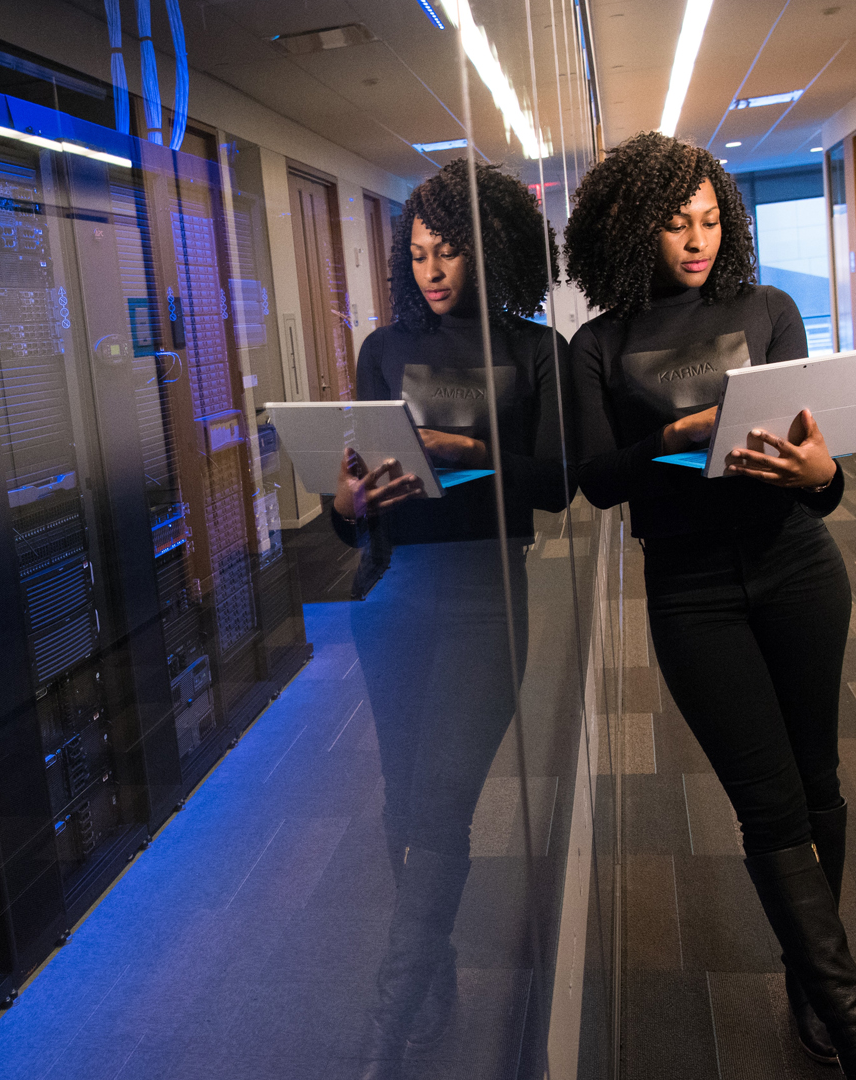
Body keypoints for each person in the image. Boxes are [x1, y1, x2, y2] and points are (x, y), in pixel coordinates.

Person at [561, 131, 856, 1080]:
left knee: (818, 782)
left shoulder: (770, 309)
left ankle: (809, 980)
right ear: (631, 228)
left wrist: (825, 472)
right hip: (692, 590)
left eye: (711, 220)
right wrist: (686, 433)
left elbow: (814, 479)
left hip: (797, 568)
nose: (697, 240)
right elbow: (594, 479)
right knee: (768, 802)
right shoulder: (600, 344)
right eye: (676, 224)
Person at [326, 158, 569, 1080]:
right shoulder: (383, 349)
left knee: (442, 805)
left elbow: (554, 485)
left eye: (449, 251)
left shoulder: (533, 349)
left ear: (490, 247)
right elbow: (346, 509)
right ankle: (432, 977)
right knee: (400, 805)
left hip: (486, 597)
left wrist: (471, 447)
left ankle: (388, 1020)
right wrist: (347, 505)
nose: (431, 269)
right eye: (419, 253)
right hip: (394, 596)